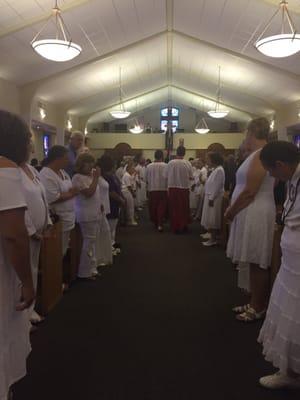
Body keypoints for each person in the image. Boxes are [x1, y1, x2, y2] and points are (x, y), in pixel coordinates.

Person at [257, 141, 300, 389]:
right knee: (289, 312)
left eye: (272, 171)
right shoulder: (292, 179)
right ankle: (290, 371)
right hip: (291, 261)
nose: (272, 175)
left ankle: (292, 372)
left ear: (281, 165)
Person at [225, 117, 276, 322]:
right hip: (251, 210)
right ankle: (255, 300)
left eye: (246, 133)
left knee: (257, 260)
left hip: (255, 210)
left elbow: (249, 192)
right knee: (253, 259)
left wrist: (231, 211)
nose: (245, 138)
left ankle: (258, 306)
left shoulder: (261, 154)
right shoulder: (256, 154)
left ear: (251, 133)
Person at [0, 109, 35, 400]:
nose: (31, 147)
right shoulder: (5, 169)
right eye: (28, 140)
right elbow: (13, 233)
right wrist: (28, 280)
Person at [20, 142, 51, 324]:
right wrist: (31, 230)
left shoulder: (31, 169)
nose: (31, 148)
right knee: (21, 272)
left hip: (39, 231)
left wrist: (47, 222)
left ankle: (30, 309)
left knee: (32, 268)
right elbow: (18, 206)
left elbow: (43, 197)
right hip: (24, 232)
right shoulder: (11, 172)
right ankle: (22, 315)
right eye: (28, 144)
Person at [40, 146, 78, 257]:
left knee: (63, 249)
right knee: (56, 252)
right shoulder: (46, 174)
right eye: (66, 158)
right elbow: (53, 197)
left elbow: (69, 190)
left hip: (69, 215)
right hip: (57, 218)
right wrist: (71, 193)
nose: (68, 161)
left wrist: (70, 193)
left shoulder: (63, 172)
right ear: (57, 159)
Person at [72, 153, 101, 279]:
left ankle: (92, 267)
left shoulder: (89, 176)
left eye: (91, 163)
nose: (91, 166)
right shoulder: (77, 177)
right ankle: (84, 272)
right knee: (88, 242)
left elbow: (95, 194)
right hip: (86, 214)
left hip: (95, 212)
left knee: (93, 242)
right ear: (81, 164)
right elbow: (89, 193)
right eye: (88, 163)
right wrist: (95, 178)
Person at [98, 155, 125, 255]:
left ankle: (111, 245)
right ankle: (107, 248)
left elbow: (117, 187)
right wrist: (121, 200)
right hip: (111, 203)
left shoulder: (112, 175)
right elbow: (111, 192)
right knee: (109, 227)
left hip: (115, 203)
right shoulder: (106, 177)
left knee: (112, 227)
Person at [167, 146, 193, 233]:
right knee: (184, 208)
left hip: (173, 188)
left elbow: (166, 176)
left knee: (174, 208)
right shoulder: (188, 163)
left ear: (176, 152)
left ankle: (175, 226)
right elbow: (191, 177)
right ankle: (183, 225)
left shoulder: (170, 163)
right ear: (184, 153)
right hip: (184, 188)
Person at [200, 152, 225, 246]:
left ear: (213, 159)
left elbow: (217, 185)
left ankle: (213, 239)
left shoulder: (219, 170)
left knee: (213, 218)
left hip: (214, 198)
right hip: (210, 196)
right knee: (210, 218)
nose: (207, 160)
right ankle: (211, 236)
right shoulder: (215, 169)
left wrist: (211, 198)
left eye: (208, 158)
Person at [95, 157, 113, 266]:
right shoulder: (96, 178)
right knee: (101, 233)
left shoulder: (102, 177)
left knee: (105, 232)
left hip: (103, 206)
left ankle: (102, 256)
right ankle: (98, 258)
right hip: (99, 207)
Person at [145, 150, 168, 232]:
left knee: (153, 207)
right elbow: (167, 178)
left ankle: (156, 222)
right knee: (161, 207)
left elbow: (146, 179)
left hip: (152, 189)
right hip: (163, 189)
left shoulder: (149, 166)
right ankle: (160, 224)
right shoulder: (166, 165)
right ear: (162, 156)